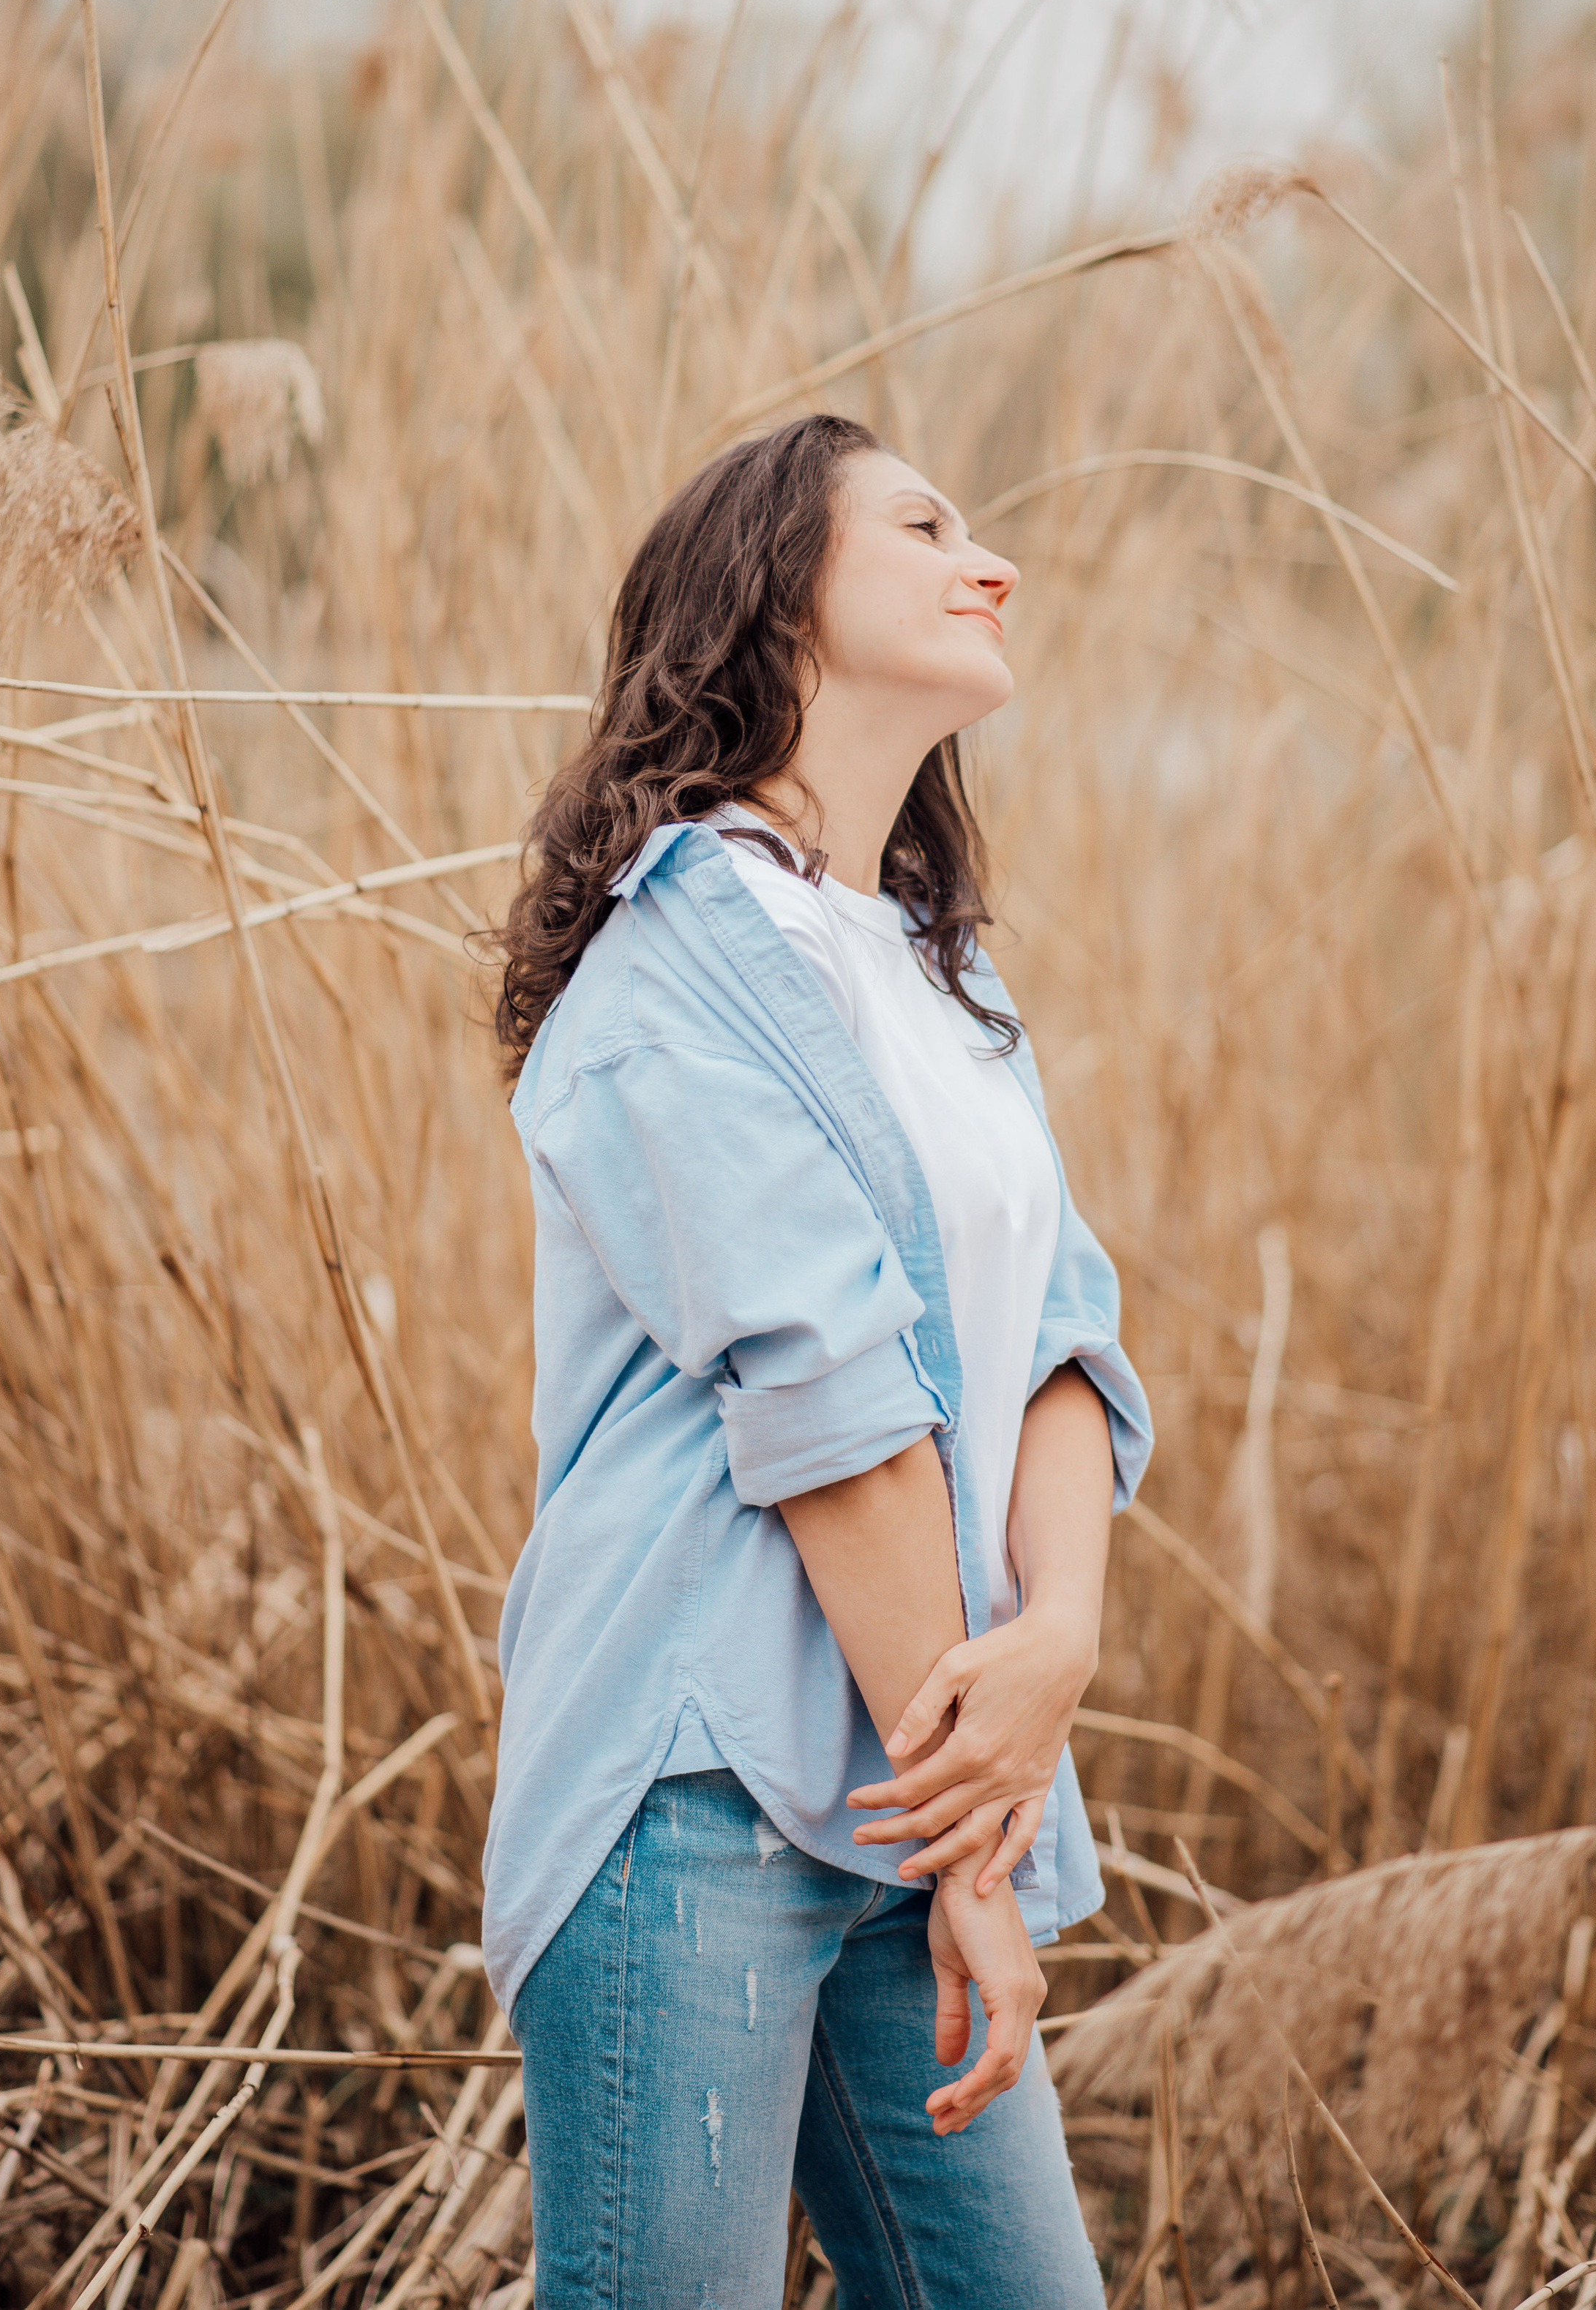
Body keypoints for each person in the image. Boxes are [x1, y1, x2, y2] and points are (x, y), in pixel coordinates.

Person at [482, 413, 1153, 2309]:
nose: (989, 556)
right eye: (927, 525)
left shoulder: (944, 972)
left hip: (914, 1775)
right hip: (694, 1785)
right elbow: (835, 1410)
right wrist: (976, 1843)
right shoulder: (663, 969)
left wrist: (1066, 1645)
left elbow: (1064, 1342)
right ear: (780, 593)